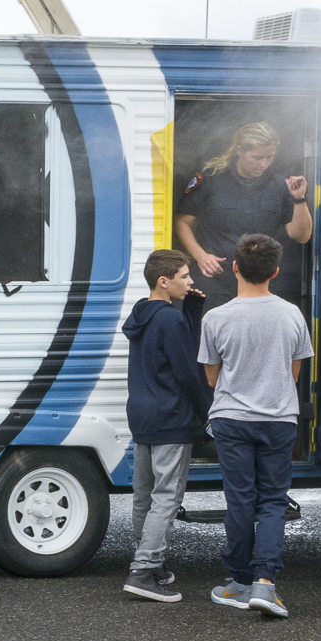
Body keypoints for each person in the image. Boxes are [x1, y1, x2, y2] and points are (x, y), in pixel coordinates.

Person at [198, 232, 312, 618]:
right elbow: (294, 373)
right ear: (275, 272)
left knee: (241, 500)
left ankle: (240, 583)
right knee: (273, 501)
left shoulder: (216, 317)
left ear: (234, 267)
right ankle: (266, 583)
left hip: (232, 419)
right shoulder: (292, 314)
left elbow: (212, 379)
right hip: (279, 418)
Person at [121, 249, 211, 603]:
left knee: (144, 496)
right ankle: (143, 572)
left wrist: (191, 311)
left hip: (142, 415)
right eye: (185, 277)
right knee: (166, 498)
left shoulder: (141, 315)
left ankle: (151, 565)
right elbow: (187, 370)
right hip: (171, 416)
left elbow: (165, 355)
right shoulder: (169, 320)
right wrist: (208, 410)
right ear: (164, 281)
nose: (191, 282)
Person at [174, 122, 313, 308]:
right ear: (239, 150)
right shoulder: (211, 178)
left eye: (269, 157)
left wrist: (299, 199)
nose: (263, 163)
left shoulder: (281, 185)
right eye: (257, 157)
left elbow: (301, 236)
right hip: (214, 279)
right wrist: (201, 256)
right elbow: (182, 221)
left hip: (258, 281)